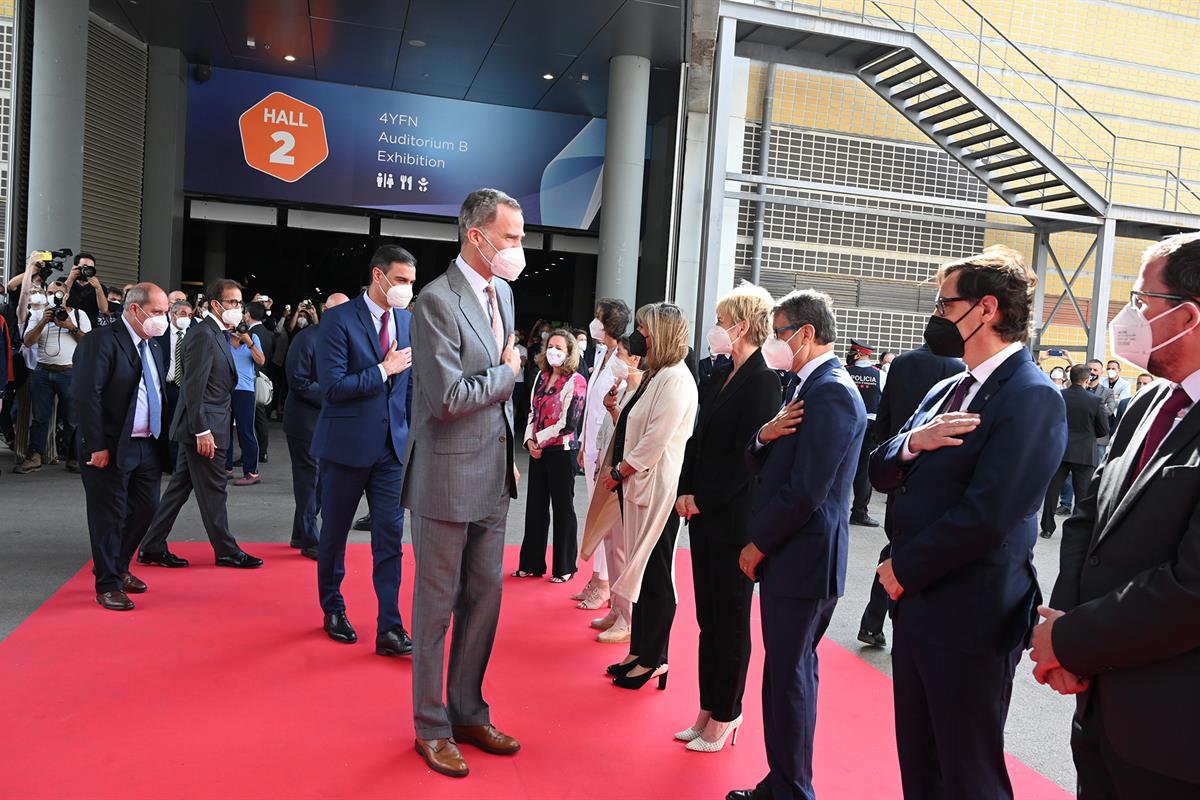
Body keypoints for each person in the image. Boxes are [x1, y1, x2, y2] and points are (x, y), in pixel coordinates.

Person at [869, 245, 1065, 800]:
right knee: (922, 760)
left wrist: (904, 568)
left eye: (944, 303)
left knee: (968, 771)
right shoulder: (946, 387)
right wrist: (911, 443)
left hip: (971, 609)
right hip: (917, 599)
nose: (936, 315)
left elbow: (991, 515)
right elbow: (880, 468)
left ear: (986, 309)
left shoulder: (1031, 396)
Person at [1030, 232, 1200, 797]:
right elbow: (1088, 520)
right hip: (1101, 705)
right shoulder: (1147, 402)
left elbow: (1190, 590)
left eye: (1141, 299)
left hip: (1175, 736)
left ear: (1188, 316)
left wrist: (1074, 639)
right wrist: (1067, 631)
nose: (1130, 314)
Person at [402, 188, 524, 779]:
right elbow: (448, 398)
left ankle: (468, 710)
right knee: (435, 611)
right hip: (446, 479)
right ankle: (431, 726)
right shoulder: (435, 301)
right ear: (476, 237)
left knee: (485, 604)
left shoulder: (502, 292)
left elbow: (496, 378)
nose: (517, 249)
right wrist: (507, 373)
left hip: (493, 476)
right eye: (510, 238)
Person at [725, 290, 865, 800]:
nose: (773, 342)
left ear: (806, 332)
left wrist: (758, 543)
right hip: (793, 551)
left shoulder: (831, 391)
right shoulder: (803, 384)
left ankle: (791, 789)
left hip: (802, 553)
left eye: (778, 332)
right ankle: (782, 781)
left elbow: (809, 488)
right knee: (785, 673)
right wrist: (763, 435)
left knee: (789, 676)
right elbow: (759, 458)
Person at [674, 283, 780, 753]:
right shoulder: (719, 375)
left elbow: (748, 458)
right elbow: (697, 442)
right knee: (707, 617)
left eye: (722, 320)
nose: (716, 329)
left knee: (732, 619)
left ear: (742, 324)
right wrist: (685, 491)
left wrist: (705, 499)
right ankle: (707, 707)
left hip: (734, 517)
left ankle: (727, 713)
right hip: (702, 514)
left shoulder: (763, 380)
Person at [581, 302, 698, 691]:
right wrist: (617, 411)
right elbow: (636, 427)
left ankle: (654, 658)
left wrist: (620, 471)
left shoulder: (676, 379)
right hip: (637, 486)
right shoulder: (654, 374)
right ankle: (639, 651)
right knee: (641, 572)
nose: (641, 335)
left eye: (647, 330)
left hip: (656, 488)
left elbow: (655, 440)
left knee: (656, 575)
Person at [313, 247, 415, 657]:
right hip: (345, 448)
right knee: (334, 534)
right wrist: (381, 370)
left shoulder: (408, 321)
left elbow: (409, 390)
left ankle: (390, 625)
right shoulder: (339, 320)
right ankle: (332, 607)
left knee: (390, 538)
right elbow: (333, 388)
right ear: (379, 276)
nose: (407, 289)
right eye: (402, 280)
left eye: (411, 281)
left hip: (392, 451)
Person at [137, 278, 263, 570]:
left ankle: (152, 545)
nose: (238, 308)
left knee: (179, 488)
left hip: (209, 423)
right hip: (204, 428)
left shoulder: (218, 332)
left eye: (240, 303)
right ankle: (227, 550)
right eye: (232, 302)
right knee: (215, 488)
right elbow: (193, 387)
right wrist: (202, 430)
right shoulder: (203, 334)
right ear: (216, 304)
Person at [857, 341, 963, 648]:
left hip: (898, 463)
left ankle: (875, 621)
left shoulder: (901, 363)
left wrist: (890, 453)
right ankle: (893, 624)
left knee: (896, 544)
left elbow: (886, 413)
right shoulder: (958, 369)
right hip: (934, 473)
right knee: (912, 550)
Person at [74, 283, 171, 611]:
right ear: (134, 309)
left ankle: (117, 564)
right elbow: (88, 397)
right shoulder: (102, 341)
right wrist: (96, 445)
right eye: (157, 312)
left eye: (165, 312)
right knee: (109, 515)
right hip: (111, 445)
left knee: (147, 508)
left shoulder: (154, 344)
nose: (164, 319)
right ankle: (108, 584)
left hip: (148, 443)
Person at [584, 335, 643, 644]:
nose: (615, 359)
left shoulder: (641, 389)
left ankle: (627, 617)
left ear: (634, 359)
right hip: (610, 476)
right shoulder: (624, 388)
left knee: (621, 550)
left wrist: (615, 410)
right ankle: (616, 609)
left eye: (620, 353)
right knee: (611, 545)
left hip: (625, 480)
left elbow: (634, 437)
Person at [514, 329, 587, 581]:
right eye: (551, 346)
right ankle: (531, 563)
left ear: (569, 353)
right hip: (538, 451)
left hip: (561, 452)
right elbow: (532, 412)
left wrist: (540, 440)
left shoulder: (576, 381)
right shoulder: (541, 377)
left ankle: (565, 566)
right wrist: (529, 440)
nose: (554, 351)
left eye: (559, 347)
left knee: (563, 508)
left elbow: (569, 423)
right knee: (535, 506)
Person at [575, 298, 632, 615]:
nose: (593, 323)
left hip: (609, 447)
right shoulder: (602, 354)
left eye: (598, 318)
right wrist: (584, 444)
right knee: (593, 513)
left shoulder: (620, 359)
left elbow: (614, 405)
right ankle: (597, 578)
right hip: (594, 443)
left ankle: (602, 581)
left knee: (604, 518)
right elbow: (591, 408)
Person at [284, 292, 347, 560]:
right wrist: (335, 393)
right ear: (325, 309)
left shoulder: (341, 340)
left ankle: (300, 533)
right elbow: (297, 381)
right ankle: (311, 539)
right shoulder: (305, 338)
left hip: (329, 423)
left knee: (319, 482)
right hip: (304, 423)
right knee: (309, 481)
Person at [17, 280, 91, 474]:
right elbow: (27, 341)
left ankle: (73, 457)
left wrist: (69, 326)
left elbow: (89, 343)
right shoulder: (39, 314)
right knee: (40, 417)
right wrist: (43, 321)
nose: (53, 296)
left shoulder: (78, 314)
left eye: (58, 292)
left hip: (70, 372)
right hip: (42, 371)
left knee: (72, 418)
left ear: (66, 295)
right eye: (50, 292)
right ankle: (34, 456)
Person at [1039, 364, 1108, 539]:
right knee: (1083, 494)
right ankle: (1078, 531)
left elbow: (1050, 422)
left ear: (1070, 376)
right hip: (1084, 451)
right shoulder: (1095, 400)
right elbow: (1103, 429)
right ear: (1087, 380)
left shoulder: (1059, 396)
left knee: (1052, 490)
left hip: (1060, 449)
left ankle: (1047, 528)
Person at [225, 311, 265, 485]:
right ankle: (226, 468)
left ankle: (251, 471)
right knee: (224, 431)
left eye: (240, 322)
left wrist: (249, 342)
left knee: (246, 431)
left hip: (244, 390)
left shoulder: (253, 338)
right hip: (224, 390)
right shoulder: (222, 338)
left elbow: (261, 360)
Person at [846, 338, 882, 527]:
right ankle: (859, 512)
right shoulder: (879, 375)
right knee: (863, 471)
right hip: (870, 426)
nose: (850, 354)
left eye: (852, 352)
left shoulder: (845, 371)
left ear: (859, 354)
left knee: (839, 466)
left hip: (846, 423)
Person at [157, 299, 193, 471]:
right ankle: (167, 462)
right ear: (173, 315)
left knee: (182, 425)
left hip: (186, 386)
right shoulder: (160, 334)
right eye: (183, 314)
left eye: (190, 315)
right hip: (167, 386)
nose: (187, 318)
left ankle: (179, 464)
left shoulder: (194, 334)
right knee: (167, 424)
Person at [245, 301, 275, 464]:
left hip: (253, 378)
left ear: (248, 315)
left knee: (254, 418)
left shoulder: (251, 334)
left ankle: (258, 452)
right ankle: (262, 451)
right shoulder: (268, 332)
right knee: (260, 417)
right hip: (263, 376)